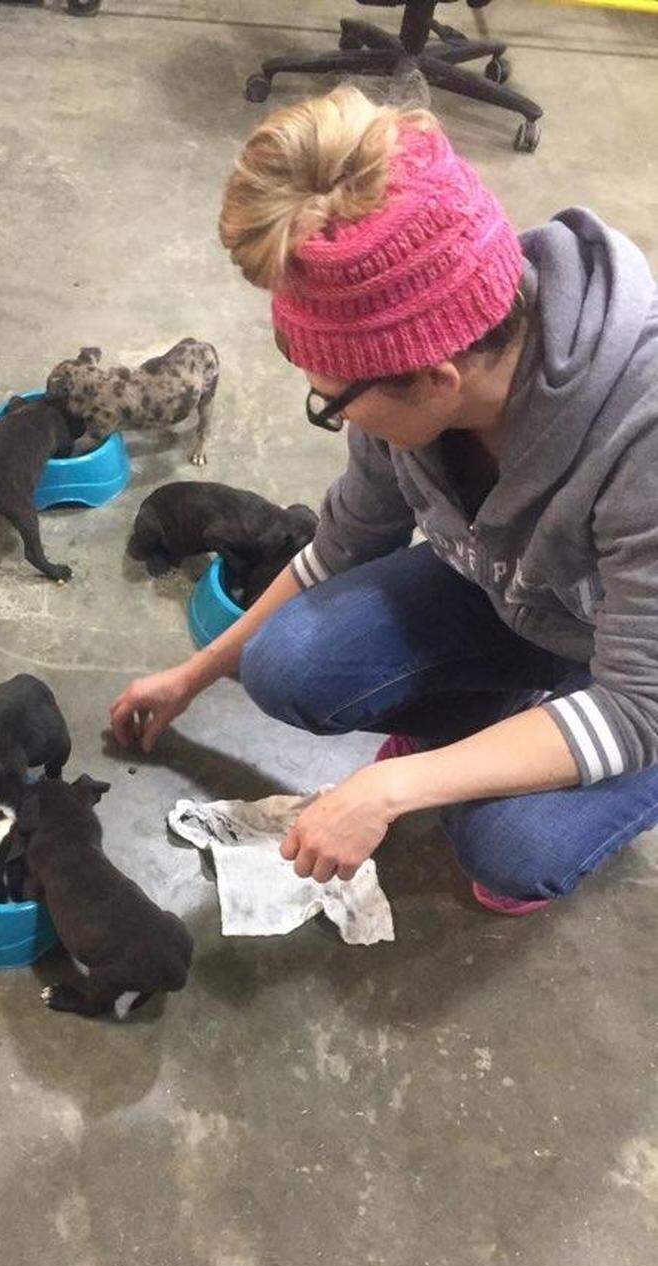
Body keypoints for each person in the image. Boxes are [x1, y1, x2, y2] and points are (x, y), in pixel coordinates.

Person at [109, 86, 658, 914]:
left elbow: (636, 704)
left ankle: (505, 758)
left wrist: (395, 788)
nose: (332, 415)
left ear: (437, 379)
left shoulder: (641, 437)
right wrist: (194, 677)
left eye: (332, 400)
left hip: (644, 679)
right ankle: (490, 714)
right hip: (535, 606)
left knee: (507, 849)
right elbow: (340, 547)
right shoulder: (413, 359)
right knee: (284, 664)